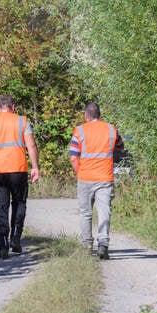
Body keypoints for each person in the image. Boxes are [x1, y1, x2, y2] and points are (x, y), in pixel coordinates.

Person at [0, 94, 40, 259]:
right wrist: (35, 167)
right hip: (18, 170)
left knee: (1, 208)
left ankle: (3, 245)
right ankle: (16, 239)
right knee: (20, 203)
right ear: (13, 107)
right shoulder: (22, 121)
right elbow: (31, 145)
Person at [69, 101, 125, 260]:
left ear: (86, 115)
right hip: (105, 177)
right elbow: (120, 147)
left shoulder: (79, 131)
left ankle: (87, 246)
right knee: (104, 211)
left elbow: (73, 157)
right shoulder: (111, 129)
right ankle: (103, 245)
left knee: (86, 213)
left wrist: (81, 173)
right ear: (99, 114)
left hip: (85, 178)